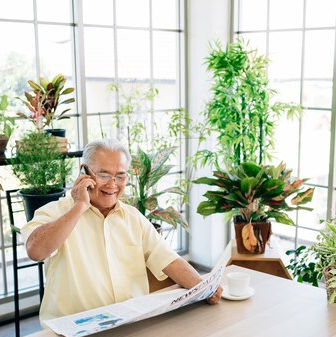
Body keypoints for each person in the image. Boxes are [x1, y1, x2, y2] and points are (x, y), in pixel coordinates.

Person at [22, 139, 222, 324]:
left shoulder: (133, 217)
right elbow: (36, 251)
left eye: (120, 176)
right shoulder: (56, 212)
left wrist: (204, 288)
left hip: (128, 325)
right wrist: (80, 206)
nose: (112, 184)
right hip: (71, 332)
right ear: (84, 172)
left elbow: (169, 260)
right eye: (103, 174)